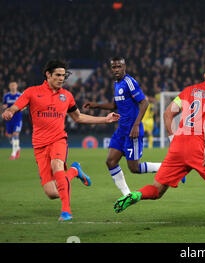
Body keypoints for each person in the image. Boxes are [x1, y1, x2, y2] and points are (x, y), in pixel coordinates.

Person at [113, 60, 205, 234]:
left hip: (179, 144)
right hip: (198, 145)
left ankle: (135, 195)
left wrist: (173, 137)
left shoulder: (188, 91)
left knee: (158, 190)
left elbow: (168, 113)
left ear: (204, 75)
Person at [1, 59, 120, 221]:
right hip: (39, 146)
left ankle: (66, 211)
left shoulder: (67, 96)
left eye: (63, 75)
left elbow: (78, 117)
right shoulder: (32, 92)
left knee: (56, 166)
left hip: (58, 140)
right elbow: (16, 107)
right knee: (52, 193)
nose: (61, 78)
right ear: (48, 75)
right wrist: (9, 112)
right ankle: (74, 171)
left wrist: (104, 120)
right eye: (57, 75)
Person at [83, 57, 162, 196]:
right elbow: (115, 105)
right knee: (111, 161)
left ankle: (166, 168)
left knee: (134, 168)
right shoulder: (116, 84)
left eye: (119, 66)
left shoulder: (129, 82)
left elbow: (144, 103)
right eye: (114, 67)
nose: (116, 69)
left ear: (124, 67)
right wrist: (96, 105)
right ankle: (127, 195)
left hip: (133, 130)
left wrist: (136, 125)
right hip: (121, 130)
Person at [2, 82, 23, 160]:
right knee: (10, 137)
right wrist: (4, 108)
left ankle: (13, 153)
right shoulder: (6, 96)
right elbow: (4, 105)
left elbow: (23, 105)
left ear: (17, 86)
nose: (13, 87)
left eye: (14, 85)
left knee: (15, 134)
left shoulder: (20, 95)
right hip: (9, 119)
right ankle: (17, 147)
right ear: (9, 87)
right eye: (11, 86)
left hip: (17, 118)